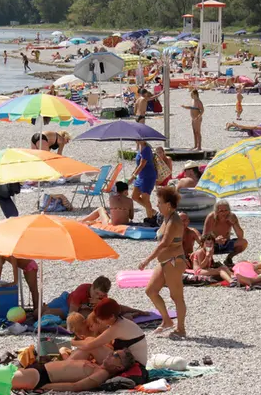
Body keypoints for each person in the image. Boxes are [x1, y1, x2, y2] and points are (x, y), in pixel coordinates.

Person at [140, 188, 186, 337]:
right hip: (165, 261)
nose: (157, 205)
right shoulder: (166, 218)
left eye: (159, 202)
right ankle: (167, 320)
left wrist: (147, 260)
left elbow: (164, 243)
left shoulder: (173, 220)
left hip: (173, 261)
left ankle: (181, 329)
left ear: (168, 204)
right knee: (151, 290)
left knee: (176, 296)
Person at [69, 298, 148, 366]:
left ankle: (66, 365)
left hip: (133, 365)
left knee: (91, 345)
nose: (99, 321)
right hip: (127, 361)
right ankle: (67, 365)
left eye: (100, 318)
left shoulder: (118, 327)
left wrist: (72, 342)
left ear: (111, 317)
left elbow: (89, 345)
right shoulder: (120, 321)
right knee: (89, 342)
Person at [11, 349, 137, 392]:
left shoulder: (101, 374)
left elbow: (76, 386)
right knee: (3, 375)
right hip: (40, 368)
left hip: (41, 377)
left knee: (3, 378)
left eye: (115, 356)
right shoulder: (97, 366)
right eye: (113, 352)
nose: (111, 354)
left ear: (119, 367)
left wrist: (47, 386)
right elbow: (69, 364)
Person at [203, 200, 247, 267]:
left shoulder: (232, 216)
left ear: (229, 210)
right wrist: (215, 240)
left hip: (226, 243)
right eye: (221, 211)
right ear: (216, 212)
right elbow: (204, 237)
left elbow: (241, 236)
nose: (224, 213)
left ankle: (229, 259)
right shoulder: (211, 217)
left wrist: (234, 223)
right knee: (206, 245)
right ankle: (211, 261)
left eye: (226, 210)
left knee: (243, 242)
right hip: (214, 244)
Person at [44, 276, 111, 319]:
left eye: (101, 295)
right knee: (39, 313)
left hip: (75, 309)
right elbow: (71, 313)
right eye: (96, 293)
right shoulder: (81, 291)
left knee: (89, 316)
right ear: (92, 286)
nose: (97, 296)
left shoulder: (103, 297)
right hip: (66, 301)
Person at [129, 140, 157, 225]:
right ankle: (152, 211)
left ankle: (150, 219)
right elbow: (138, 165)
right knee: (134, 196)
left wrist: (133, 176)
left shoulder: (147, 149)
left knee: (146, 198)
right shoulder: (140, 148)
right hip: (141, 176)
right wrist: (133, 173)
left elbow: (142, 164)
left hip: (148, 176)